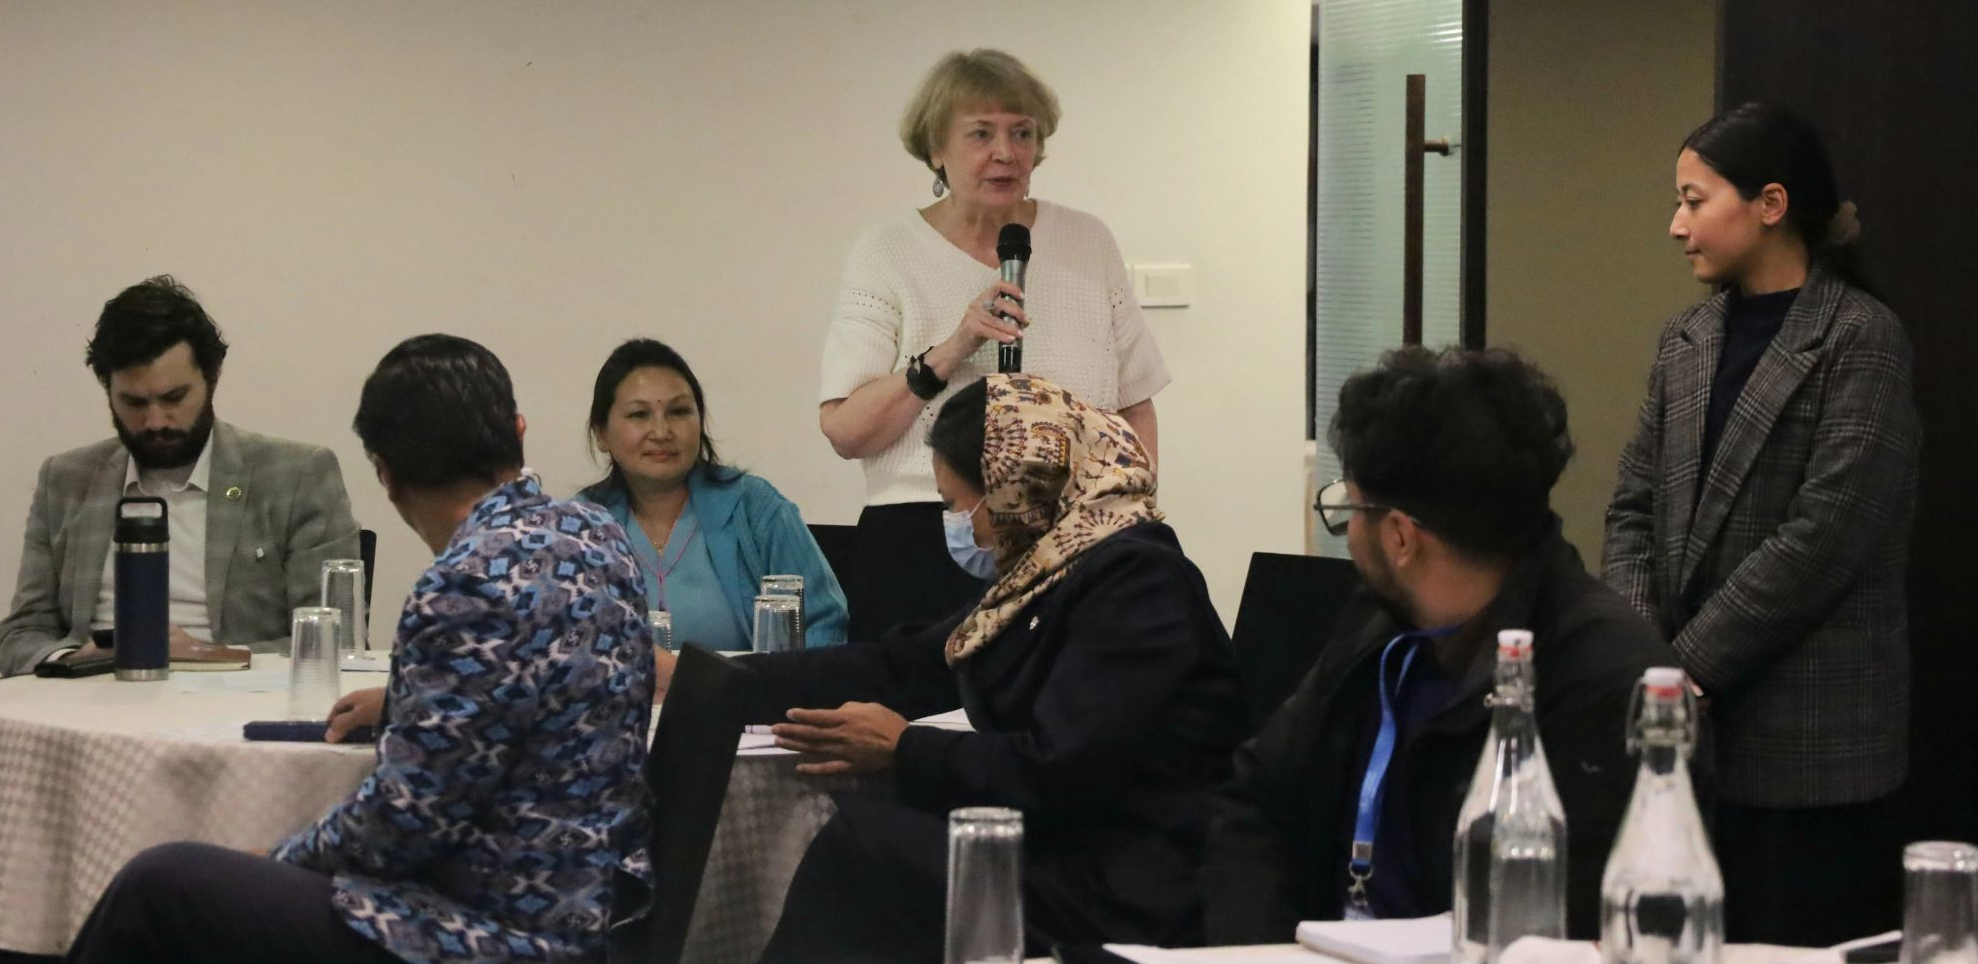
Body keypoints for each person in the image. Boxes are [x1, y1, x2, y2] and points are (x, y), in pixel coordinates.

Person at [62, 335, 654, 963]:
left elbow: (406, 823)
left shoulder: (463, 583)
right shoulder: (596, 533)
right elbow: (543, 687)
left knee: (160, 883)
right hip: (595, 911)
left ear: (385, 472)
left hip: (492, 930)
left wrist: (278, 858)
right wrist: (407, 696)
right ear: (518, 432)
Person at [654, 374, 1241, 960]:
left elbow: (1064, 769)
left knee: (858, 843)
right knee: (858, 834)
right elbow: (898, 667)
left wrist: (905, 747)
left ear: (1013, 489)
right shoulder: (1045, 575)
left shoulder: (1138, 583)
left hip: (1125, 883)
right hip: (1057, 849)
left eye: (958, 505)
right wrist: (701, 680)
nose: (963, 526)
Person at [1204, 347, 1686, 941]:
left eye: (1352, 506)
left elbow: (1589, 926)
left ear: (1401, 536)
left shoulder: (1607, 681)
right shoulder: (1376, 629)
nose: (1349, 531)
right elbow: (1258, 804)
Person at [1603, 102, 1920, 943]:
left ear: (1770, 204)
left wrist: (1684, 671)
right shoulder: (1685, 337)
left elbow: (1827, 534)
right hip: (1679, 738)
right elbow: (1632, 507)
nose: (1676, 226)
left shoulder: (1861, 336)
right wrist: (1644, 659)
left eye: (1694, 200)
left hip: (1810, 743)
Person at [817, 48, 1171, 640]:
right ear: (936, 148)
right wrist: (953, 348)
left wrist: (1132, 517)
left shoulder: (1087, 242)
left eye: (1022, 133)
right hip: (925, 537)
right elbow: (846, 432)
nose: (1005, 152)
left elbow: (1135, 406)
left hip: (1075, 539)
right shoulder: (887, 252)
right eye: (981, 133)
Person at [1, 275, 359, 678]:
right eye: (134, 402)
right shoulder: (66, 480)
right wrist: (73, 659)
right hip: (89, 694)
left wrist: (207, 654)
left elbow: (338, 639)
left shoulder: (295, 476)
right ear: (108, 391)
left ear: (212, 377)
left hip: (232, 700)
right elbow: (20, 635)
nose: (156, 421)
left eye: (174, 398)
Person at [577, 337, 848, 648]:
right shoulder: (579, 526)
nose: (662, 432)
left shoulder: (754, 507)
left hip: (749, 681)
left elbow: (824, 619)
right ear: (601, 434)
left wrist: (781, 679)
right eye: (639, 414)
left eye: (679, 411)